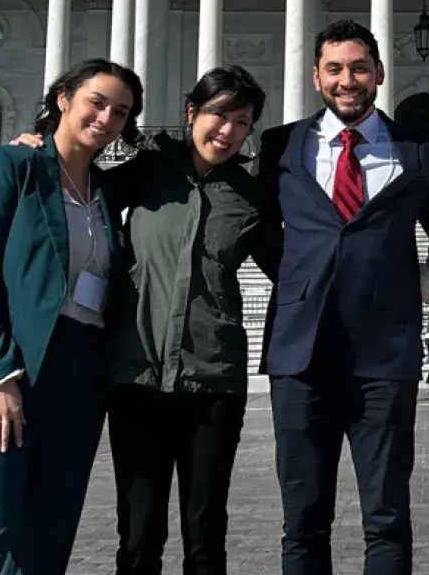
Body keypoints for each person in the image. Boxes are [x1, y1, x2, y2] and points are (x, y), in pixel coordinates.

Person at [0, 59, 142, 575]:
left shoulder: (108, 191)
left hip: (77, 376)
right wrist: (0, 377)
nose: (106, 119)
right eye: (97, 102)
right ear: (64, 99)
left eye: (121, 113)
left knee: (49, 537)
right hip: (2, 372)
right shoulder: (10, 167)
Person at [257, 19, 429, 575]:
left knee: (388, 518)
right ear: (316, 76)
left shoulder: (421, 153)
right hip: (300, 354)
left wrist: (406, 287)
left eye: (359, 68)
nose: (348, 80)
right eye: (336, 69)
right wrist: (301, 281)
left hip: (384, 357)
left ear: (379, 75)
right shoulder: (281, 146)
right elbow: (259, 228)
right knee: (303, 521)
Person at [108, 65, 283, 575]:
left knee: (205, 533)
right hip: (138, 374)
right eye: (218, 115)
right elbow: (76, 191)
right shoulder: (144, 171)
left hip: (213, 379)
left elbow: (292, 272)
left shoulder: (249, 197)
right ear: (192, 113)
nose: (227, 131)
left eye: (242, 123)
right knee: (138, 533)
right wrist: (36, 150)